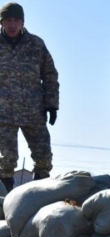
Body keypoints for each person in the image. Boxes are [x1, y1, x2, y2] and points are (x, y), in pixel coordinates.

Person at [0, 2, 58, 191]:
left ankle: (38, 197)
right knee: (6, 161)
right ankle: (5, 200)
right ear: (1, 22)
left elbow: (49, 74)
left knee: (43, 157)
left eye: (16, 20)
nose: (12, 24)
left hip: (33, 111)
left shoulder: (36, 44)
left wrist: (52, 104)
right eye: (8, 20)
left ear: (22, 22)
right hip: (3, 113)